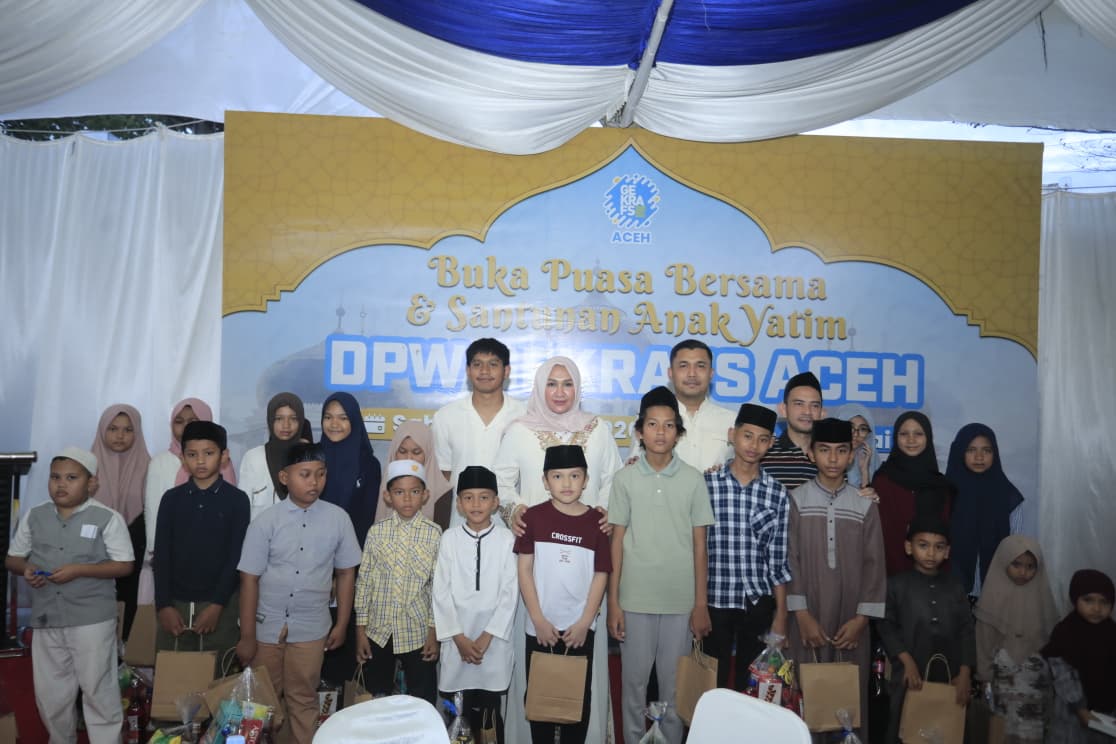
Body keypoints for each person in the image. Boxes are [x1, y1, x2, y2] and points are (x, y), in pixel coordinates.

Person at [494, 355, 621, 744]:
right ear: (539, 387)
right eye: (551, 383)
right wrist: (514, 509)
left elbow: (614, 480)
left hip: (585, 556)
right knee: (536, 653)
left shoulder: (597, 429)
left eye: (567, 384)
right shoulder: (519, 430)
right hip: (537, 562)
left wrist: (605, 510)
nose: (560, 392)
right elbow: (502, 481)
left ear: (578, 387)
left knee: (582, 664)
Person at [608, 386, 715, 744]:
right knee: (633, 686)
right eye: (652, 424)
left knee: (674, 688)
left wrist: (700, 604)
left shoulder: (693, 479)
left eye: (669, 425)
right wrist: (613, 602)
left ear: (678, 433)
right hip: (634, 599)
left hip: (680, 602)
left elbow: (700, 546)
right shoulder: (624, 479)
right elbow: (616, 542)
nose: (660, 432)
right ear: (639, 431)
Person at [5, 447, 134, 744]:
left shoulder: (107, 518)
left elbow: (124, 564)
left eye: (72, 478)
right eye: (55, 477)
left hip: (92, 619)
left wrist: (79, 570)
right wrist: (27, 569)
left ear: (92, 483)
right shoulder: (35, 515)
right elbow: (13, 559)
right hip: (47, 617)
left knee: (98, 691)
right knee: (51, 694)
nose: (61, 484)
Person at [236, 443, 362, 744]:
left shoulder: (338, 519)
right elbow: (249, 579)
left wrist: (342, 624)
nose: (314, 482)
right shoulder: (265, 522)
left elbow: (346, 573)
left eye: (320, 474)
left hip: (311, 627)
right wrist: (248, 636)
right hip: (266, 627)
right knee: (261, 704)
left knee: (303, 699)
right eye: (305, 474)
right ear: (284, 477)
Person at [787, 418, 886, 742]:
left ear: (851, 455)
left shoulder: (864, 504)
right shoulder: (796, 500)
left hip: (850, 622)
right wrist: (802, 616)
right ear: (811, 453)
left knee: (848, 703)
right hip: (806, 620)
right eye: (824, 450)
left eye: (841, 451)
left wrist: (861, 621)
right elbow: (790, 560)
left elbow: (875, 565)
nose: (833, 458)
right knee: (804, 700)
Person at [516, 445, 611, 744]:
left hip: (579, 631)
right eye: (557, 476)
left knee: (577, 704)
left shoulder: (597, 523)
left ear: (586, 480)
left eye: (575, 475)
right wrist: (538, 619)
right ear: (545, 481)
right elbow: (524, 571)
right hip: (540, 628)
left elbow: (601, 574)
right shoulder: (533, 518)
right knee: (539, 703)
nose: (567, 483)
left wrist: (584, 622)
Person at [704, 403, 791, 689]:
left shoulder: (777, 493)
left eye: (763, 439)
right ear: (733, 435)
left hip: (757, 602)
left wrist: (781, 615)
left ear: (771, 443)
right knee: (711, 683)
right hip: (715, 599)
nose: (754, 445)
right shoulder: (707, 485)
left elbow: (778, 561)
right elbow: (696, 548)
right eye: (747, 436)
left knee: (751, 686)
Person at [153, 421, 249, 670]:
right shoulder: (171, 500)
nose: (201, 461)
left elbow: (236, 557)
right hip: (175, 605)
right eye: (192, 454)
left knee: (219, 677)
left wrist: (217, 605)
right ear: (183, 458)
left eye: (209, 453)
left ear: (224, 456)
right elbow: (161, 556)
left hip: (220, 605)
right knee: (174, 677)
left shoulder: (237, 501)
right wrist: (164, 606)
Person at [433, 466, 517, 743]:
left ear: (495, 502)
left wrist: (486, 637)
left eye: (484, 497)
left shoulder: (507, 540)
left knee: (490, 717)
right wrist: (458, 638)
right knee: (457, 716)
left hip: (493, 646)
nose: (476, 504)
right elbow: (440, 592)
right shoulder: (449, 539)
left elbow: (510, 593)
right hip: (457, 644)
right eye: (468, 497)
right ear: (458, 504)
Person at [877, 515, 975, 744]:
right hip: (909, 674)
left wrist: (965, 674)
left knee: (948, 729)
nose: (931, 553)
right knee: (905, 728)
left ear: (947, 551)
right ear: (908, 547)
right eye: (923, 545)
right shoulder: (896, 585)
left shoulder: (955, 587)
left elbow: (967, 630)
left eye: (939, 547)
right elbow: (885, 625)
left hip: (950, 675)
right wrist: (906, 661)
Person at [355, 459, 442, 703]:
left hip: (417, 631)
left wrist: (433, 631)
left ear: (425, 495)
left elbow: (437, 588)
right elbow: (364, 582)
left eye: (414, 492)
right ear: (387, 496)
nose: (407, 499)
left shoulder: (434, 533)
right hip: (378, 631)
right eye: (399, 492)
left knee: (421, 699)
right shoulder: (377, 532)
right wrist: (360, 631)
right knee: (377, 697)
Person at [143, 397, 237, 599]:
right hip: (173, 561)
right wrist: (155, 552)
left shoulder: (226, 468)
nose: (186, 426)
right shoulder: (160, 464)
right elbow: (152, 511)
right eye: (179, 421)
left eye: (193, 421)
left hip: (217, 565)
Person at [319, 391, 382, 683]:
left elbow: (364, 522)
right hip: (312, 565)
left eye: (343, 418)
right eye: (328, 417)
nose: (334, 424)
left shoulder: (368, 465)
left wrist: (341, 572)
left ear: (354, 421)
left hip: (350, 566)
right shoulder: (314, 459)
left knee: (344, 645)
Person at [432, 338, 526, 528]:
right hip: (460, 524)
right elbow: (444, 473)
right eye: (477, 364)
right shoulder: (446, 416)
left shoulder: (524, 415)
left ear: (507, 371)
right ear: (468, 371)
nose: (484, 371)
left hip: (511, 525)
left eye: (493, 364)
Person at [974, 536, 1058, 744]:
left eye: (1030, 567)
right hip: (1002, 684)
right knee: (1000, 733)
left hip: (1035, 685)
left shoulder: (1043, 597)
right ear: (1003, 562)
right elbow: (983, 642)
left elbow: (1052, 642)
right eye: (1017, 564)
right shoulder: (992, 597)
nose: (1023, 572)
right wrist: (984, 677)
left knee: (1032, 734)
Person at [89, 403, 149, 640]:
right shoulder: (85, 468)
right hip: (92, 554)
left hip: (133, 553)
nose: (120, 435)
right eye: (113, 428)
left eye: (128, 429)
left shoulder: (149, 466)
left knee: (128, 618)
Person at [946, 423, 1024, 596]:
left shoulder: (1009, 497)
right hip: (949, 591)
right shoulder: (944, 494)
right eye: (971, 450)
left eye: (987, 450)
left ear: (995, 454)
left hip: (997, 590)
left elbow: (1014, 547)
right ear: (960, 452)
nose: (979, 457)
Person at [872, 411, 954, 576]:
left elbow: (944, 537)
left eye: (918, 434)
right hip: (889, 573)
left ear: (928, 438)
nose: (911, 440)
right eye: (904, 434)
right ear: (895, 438)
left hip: (931, 577)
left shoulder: (942, 486)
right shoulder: (882, 481)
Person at [1042, 569, 1116, 744]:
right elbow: (1062, 674)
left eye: (1104, 602)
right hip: (1072, 716)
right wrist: (1081, 709)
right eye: (1088, 600)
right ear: (1075, 599)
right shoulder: (1066, 632)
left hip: (1106, 718)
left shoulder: (1112, 633)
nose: (1096, 608)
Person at [666, 339, 736, 471]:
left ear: (711, 373)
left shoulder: (732, 421)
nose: (692, 374)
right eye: (683, 365)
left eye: (700, 366)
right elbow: (635, 466)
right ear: (670, 373)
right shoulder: (651, 420)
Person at [237, 392, 307, 521]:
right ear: (270, 421)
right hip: (259, 533)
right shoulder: (253, 458)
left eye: (293, 418)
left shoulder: (308, 459)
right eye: (279, 419)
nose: (286, 425)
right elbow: (243, 509)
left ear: (301, 421)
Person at [374, 419, 454, 530]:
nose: (409, 458)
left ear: (428, 453)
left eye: (416, 452)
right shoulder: (384, 486)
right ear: (394, 453)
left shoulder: (442, 493)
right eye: (402, 451)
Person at [762, 371, 823, 490]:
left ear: (822, 412)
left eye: (814, 405)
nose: (807, 412)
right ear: (783, 409)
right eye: (799, 404)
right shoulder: (763, 454)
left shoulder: (832, 457)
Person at [834, 404, 880, 488]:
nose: (855, 434)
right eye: (850, 427)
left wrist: (864, 472)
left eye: (863, 429)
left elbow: (869, 495)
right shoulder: (824, 459)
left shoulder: (874, 462)